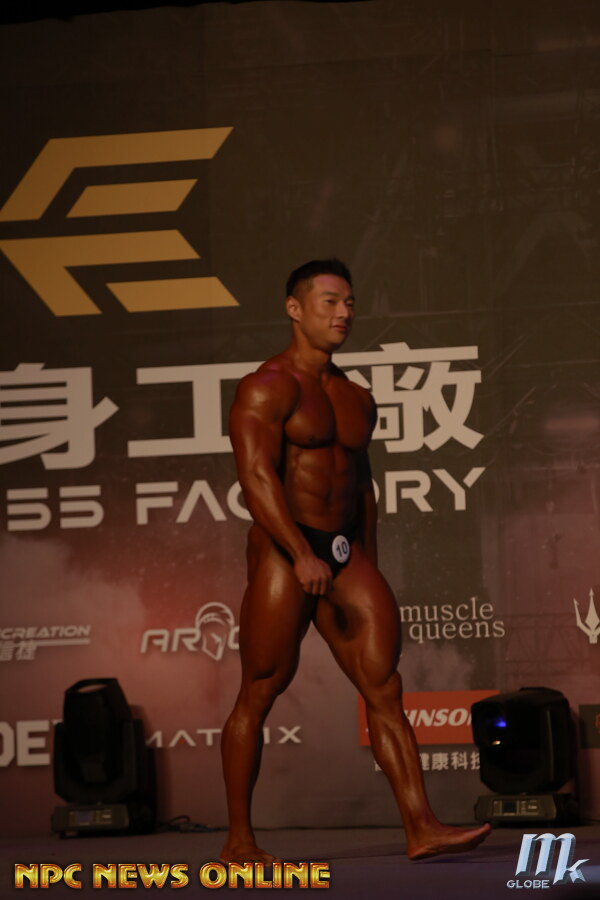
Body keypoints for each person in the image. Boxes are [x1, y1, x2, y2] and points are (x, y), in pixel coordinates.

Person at [220, 259, 491, 864]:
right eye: (330, 302)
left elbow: (361, 485)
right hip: (284, 552)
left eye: (349, 303)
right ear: (295, 309)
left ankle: (420, 826)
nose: (344, 313)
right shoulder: (267, 385)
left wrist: (366, 560)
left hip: (344, 550)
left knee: (384, 686)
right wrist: (299, 553)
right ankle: (239, 841)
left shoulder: (355, 397)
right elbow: (255, 478)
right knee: (259, 690)